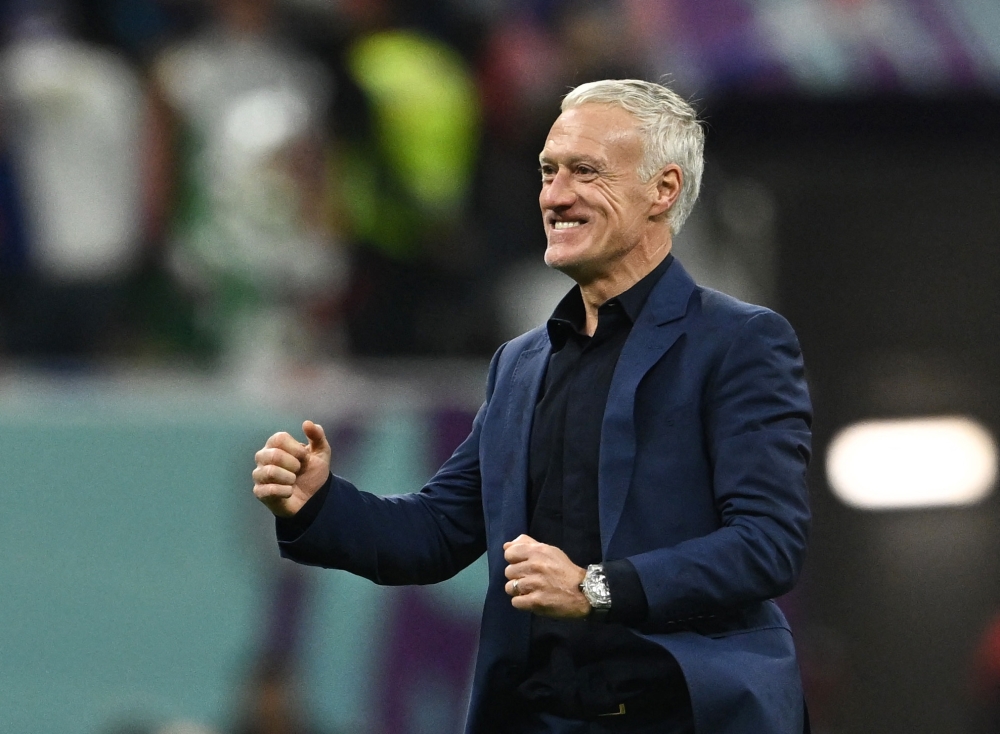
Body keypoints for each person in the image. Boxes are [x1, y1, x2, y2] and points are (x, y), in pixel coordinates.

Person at [253, 79, 812, 733]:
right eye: (549, 171)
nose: (556, 195)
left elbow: (767, 543)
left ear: (663, 190)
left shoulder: (741, 342)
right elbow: (436, 534)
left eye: (585, 172)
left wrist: (595, 588)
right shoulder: (520, 365)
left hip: (682, 717)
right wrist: (318, 504)